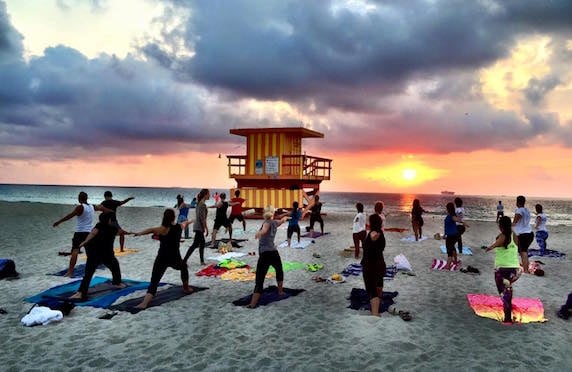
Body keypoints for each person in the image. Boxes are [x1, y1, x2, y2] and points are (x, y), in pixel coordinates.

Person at [132, 209, 193, 309]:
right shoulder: (178, 227)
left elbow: (150, 230)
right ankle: (186, 288)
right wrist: (191, 221)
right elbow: (185, 223)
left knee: (154, 281)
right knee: (183, 267)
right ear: (173, 217)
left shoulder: (162, 229)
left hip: (162, 257)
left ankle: (144, 303)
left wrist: (139, 233)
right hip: (174, 257)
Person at [69, 212, 127, 300]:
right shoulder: (111, 228)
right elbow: (121, 232)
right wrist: (131, 233)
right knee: (115, 267)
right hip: (104, 254)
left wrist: (85, 241)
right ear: (109, 220)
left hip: (95, 254)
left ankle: (80, 293)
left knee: (88, 274)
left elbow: (92, 233)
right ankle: (117, 283)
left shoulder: (99, 226)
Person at [53, 192, 110, 277]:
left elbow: (70, 216)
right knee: (89, 253)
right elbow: (103, 208)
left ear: (79, 199)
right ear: (87, 198)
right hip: (89, 234)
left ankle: (70, 272)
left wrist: (59, 222)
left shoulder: (80, 207)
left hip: (79, 233)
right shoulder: (92, 207)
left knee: (75, 251)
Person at [247, 206, 289, 308]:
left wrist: (259, 233)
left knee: (260, 279)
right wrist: (285, 217)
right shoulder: (274, 223)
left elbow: (265, 230)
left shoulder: (266, 223)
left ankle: (252, 304)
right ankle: (280, 291)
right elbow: (281, 221)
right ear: (272, 214)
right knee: (279, 270)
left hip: (265, 254)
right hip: (273, 252)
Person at [486, 216, 522, 324]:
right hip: (515, 270)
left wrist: (489, 248)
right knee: (507, 290)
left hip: (501, 270)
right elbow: (519, 248)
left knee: (503, 292)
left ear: (500, 226)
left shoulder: (501, 236)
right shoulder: (514, 235)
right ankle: (508, 295)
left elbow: (496, 244)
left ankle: (507, 319)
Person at [361, 213, 386, 317]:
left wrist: (372, 238)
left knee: (372, 289)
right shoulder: (381, 233)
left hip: (370, 265)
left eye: (369, 221)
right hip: (380, 263)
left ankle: (375, 314)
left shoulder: (374, 233)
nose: (367, 222)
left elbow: (373, 236)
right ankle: (379, 303)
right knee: (379, 283)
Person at [183, 188, 210, 266]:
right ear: (205, 195)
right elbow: (202, 218)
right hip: (199, 227)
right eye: (208, 194)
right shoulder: (202, 204)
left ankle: (201, 261)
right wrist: (206, 228)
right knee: (195, 245)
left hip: (197, 226)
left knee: (201, 243)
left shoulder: (199, 203)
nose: (209, 195)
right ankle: (184, 260)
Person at [513, 195, 534, 273]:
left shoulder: (519, 211)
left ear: (517, 202)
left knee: (523, 252)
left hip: (523, 235)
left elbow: (514, 222)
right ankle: (526, 268)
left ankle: (525, 270)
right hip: (529, 233)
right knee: (524, 252)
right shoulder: (526, 210)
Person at [443, 202, 468, 269]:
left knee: (449, 251)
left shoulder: (452, 216)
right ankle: (455, 261)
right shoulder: (450, 215)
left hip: (451, 236)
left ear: (448, 208)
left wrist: (464, 223)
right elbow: (446, 226)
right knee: (452, 248)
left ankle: (448, 266)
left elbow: (458, 220)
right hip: (451, 235)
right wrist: (445, 234)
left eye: (447, 208)